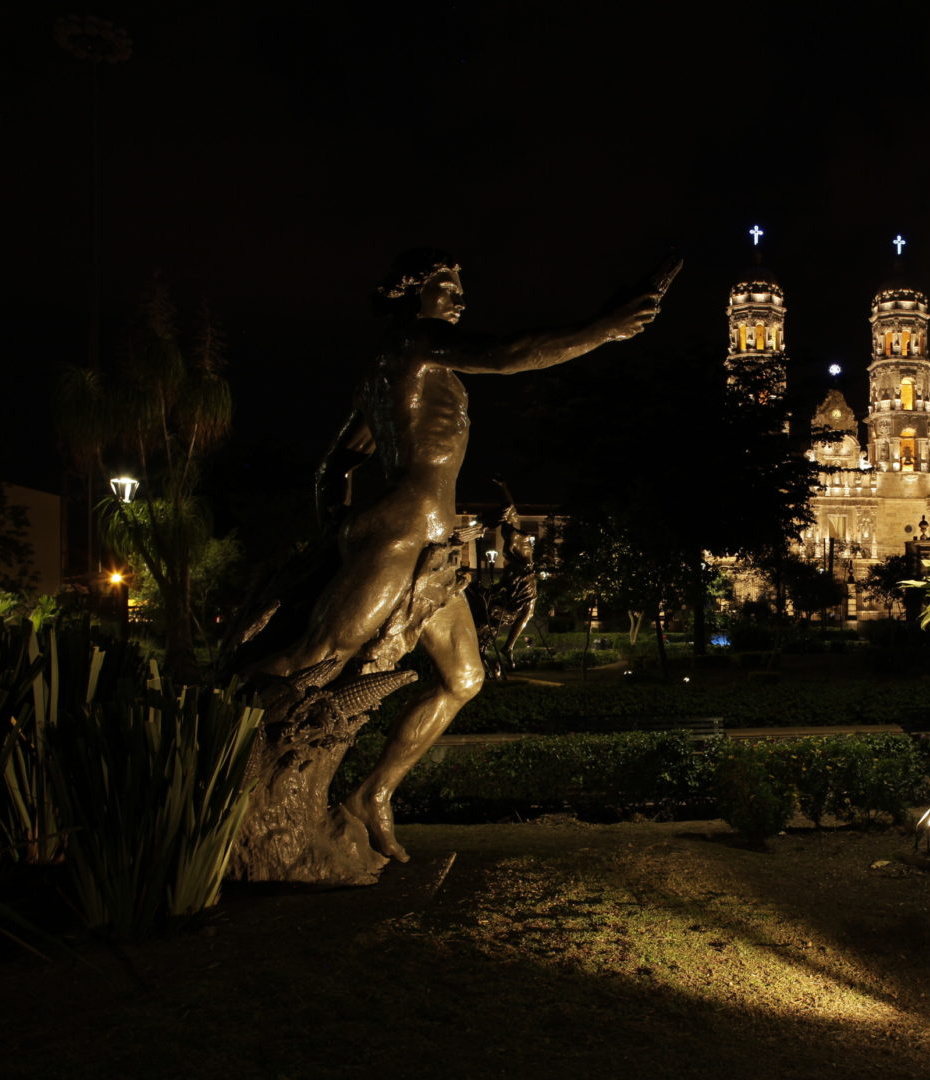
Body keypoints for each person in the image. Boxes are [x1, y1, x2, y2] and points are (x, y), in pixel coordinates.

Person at [258, 248, 674, 861]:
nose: (459, 298)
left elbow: (336, 462)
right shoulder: (414, 344)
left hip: (430, 536)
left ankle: (372, 794)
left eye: (460, 287)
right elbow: (506, 355)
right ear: (410, 296)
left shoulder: (393, 368)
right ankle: (219, 756)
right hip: (405, 528)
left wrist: (338, 525)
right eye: (446, 285)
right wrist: (600, 330)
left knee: (465, 678)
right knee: (319, 655)